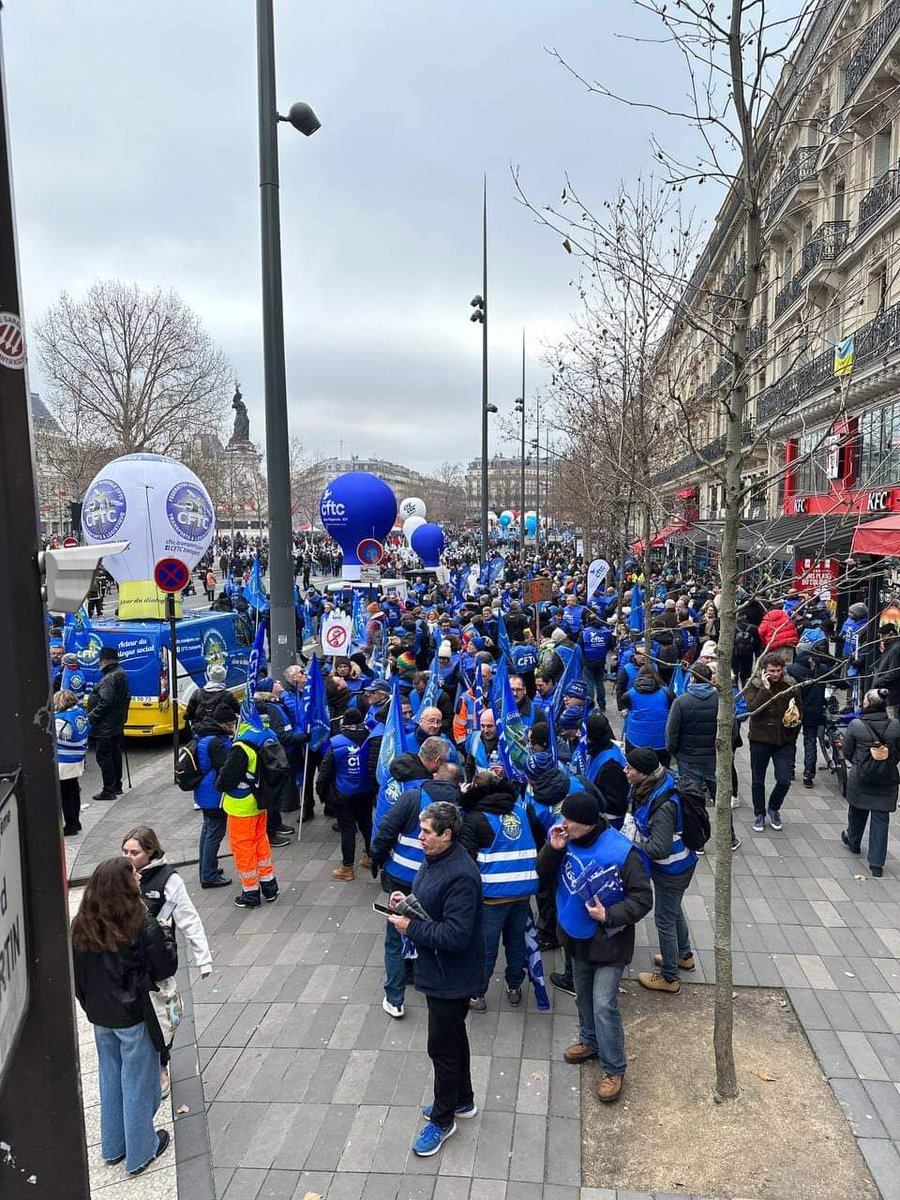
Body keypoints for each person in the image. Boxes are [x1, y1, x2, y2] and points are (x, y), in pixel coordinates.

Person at [536, 791, 652, 1103]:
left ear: (588, 825)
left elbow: (643, 898)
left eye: (569, 821)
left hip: (610, 943)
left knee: (604, 1004)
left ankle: (614, 1068)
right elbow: (543, 876)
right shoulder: (565, 841)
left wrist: (609, 914)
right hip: (575, 937)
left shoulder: (621, 852)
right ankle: (589, 1041)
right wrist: (552, 849)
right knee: (582, 996)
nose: (563, 824)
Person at [386, 801, 483, 1157]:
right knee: (454, 1038)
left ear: (447, 835)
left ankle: (443, 1120)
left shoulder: (461, 874)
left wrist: (411, 926)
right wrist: (406, 902)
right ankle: (463, 1100)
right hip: (440, 971)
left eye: (427, 832)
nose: (420, 837)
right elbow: (432, 904)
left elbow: (456, 935)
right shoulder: (436, 860)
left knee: (441, 1048)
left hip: (450, 977)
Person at [72, 857, 176, 1176]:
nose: (139, 874)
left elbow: (78, 975)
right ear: (123, 883)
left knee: (110, 1077)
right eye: (132, 871)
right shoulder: (140, 922)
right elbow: (164, 967)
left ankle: (113, 1146)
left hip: (100, 1014)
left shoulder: (82, 923)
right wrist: (167, 934)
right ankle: (140, 1150)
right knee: (137, 1081)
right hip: (133, 1013)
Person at [370, 745, 459, 1018]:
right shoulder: (458, 808)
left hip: (402, 877)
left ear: (433, 774)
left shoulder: (413, 797)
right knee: (430, 927)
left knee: (395, 936)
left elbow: (386, 830)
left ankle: (395, 998)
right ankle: (428, 979)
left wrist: (377, 858)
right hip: (437, 881)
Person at [460, 768, 538, 1012]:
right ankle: (514, 986)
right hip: (523, 889)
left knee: (486, 947)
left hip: (492, 894)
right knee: (516, 941)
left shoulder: (475, 818)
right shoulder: (521, 809)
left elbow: (467, 860)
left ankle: (477, 994)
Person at [624, 747, 699, 993]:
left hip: (673, 869)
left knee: (664, 919)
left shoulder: (664, 804)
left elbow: (658, 848)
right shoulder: (652, 785)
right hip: (675, 867)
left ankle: (669, 977)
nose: (626, 771)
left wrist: (630, 843)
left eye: (630, 768)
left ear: (644, 773)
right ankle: (683, 955)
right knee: (674, 910)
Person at [215, 717, 281, 908]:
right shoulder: (268, 735)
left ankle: (250, 893)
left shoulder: (242, 745)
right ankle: (270, 886)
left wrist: (219, 782)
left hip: (241, 805)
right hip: (260, 801)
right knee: (261, 843)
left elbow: (226, 780)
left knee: (243, 849)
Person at [841, 689, 900, 877]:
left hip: (861, 777)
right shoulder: (895, 726)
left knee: (857, 809)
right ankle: (876, 864)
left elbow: (847, 752)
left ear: (867, 703)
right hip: (887, 779)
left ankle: (854, 841)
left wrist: (859, 764)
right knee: (881, 819)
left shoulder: (856, 725)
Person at [744, 653, 803, 833]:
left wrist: (792, 735)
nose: (776, 674)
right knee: (758, 780)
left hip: (783, 740)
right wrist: (765, 688)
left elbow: (800, 711)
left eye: (778, 670)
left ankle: (774, 808)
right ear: (764, 671)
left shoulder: (790, 685)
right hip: (760, 739)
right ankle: (759, 813)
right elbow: (752, 709)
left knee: (784, 780)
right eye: (771, 671)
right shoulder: (753, 685)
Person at [316, 707, 375, 881]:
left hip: (344, 793)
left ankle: (347, 867)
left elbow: (325, 772)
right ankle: (371, 857)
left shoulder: (336, 743)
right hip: (365, 791)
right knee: (367, 825)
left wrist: (323, 793)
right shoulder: (370, 738)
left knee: (348, 830)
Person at [193, 704, 236, 887]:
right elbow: (225, 768)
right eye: (232, 722)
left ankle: (206, 867)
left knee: (207, 831)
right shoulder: (217, 742)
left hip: (203, 791)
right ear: (225, 723)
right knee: (214, 834)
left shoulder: (205, 735)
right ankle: (208, 875)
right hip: (214, 794)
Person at [787, 646, 835, 788]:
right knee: (810, 742)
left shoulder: (792, 669)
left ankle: (790, 770)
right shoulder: (822, 669)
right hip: (814, 712)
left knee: (790, 740)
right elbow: (837, 680)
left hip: (795, 710)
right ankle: (808, 775)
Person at [87, 646, 130, 802]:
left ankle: (109, 789)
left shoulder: (109, 678)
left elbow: (106, 701)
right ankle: (116, 785)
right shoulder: (121, 673)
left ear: (104, 661)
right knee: (114, 753)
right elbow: (126, 697)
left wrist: (92, 716)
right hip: (116, 722)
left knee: (104, 756)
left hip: (106, 725)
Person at [54, 687, 89, 835]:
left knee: (66, 795)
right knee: (74, 791)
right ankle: (76, 822)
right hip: (78, 757)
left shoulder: (60, 719)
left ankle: (70, 826)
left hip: (65, 760)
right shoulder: (79, 712)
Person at [620, 664, 671, 765]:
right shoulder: (667, 693)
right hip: (661, 742)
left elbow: (628, 707)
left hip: (636, 741)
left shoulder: (629, 695)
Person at [184, 663, 239, 736]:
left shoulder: (197, 693)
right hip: (220, 732)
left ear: (209, 676)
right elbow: (238, 711)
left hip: (200, 731)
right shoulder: (228, 696)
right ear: (224, 677)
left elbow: (188, 715)